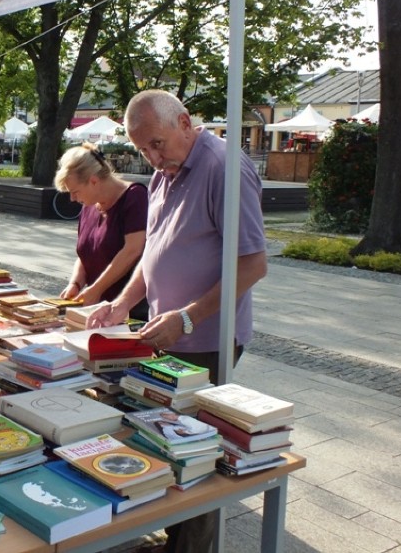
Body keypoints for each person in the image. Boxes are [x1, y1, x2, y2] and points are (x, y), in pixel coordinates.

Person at [89, 90, 267, 553]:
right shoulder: (164, 170)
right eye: (142, 148)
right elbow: (154, 251)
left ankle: (189, 548)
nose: (152, 156)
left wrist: (187, 319)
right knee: (164, 441)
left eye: (157, 144)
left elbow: (251, 265)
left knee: (197, 451)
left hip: (205, 338)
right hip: (169, 335)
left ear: (185, 122)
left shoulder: (224, 167)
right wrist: (125, 302)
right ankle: (173, 540)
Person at [54, 143, 148, 319]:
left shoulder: (135, 196)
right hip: (97, 309)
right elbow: (85, 253)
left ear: (94, 181)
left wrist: (96, 289)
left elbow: (133, 250)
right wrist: (75, 283)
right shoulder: (89, 204)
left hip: (129, 311)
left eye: (75, 192)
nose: (73, 199)